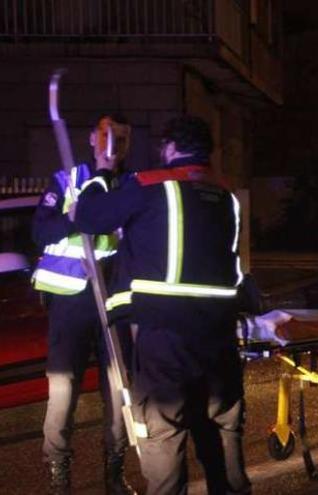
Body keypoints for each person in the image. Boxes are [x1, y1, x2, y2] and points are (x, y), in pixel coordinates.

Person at [73, 115, 251, 494]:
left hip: (166, 336)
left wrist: (103, 171)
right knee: (222, 428)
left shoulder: (149, 185)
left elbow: (89, 216)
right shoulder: (225, 196)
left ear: (170, 147)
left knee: (164, 432)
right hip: (219, 334)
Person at [32, 114, 136, 495]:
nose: (114, 146)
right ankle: (59, 476)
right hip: (71, 303)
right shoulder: (67, 181)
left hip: (114, 301)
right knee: (63, 389)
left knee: (117, 390)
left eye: (122, 139)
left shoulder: (133, 185)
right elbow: (40, 231)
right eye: (108, 137)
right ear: (93, 138)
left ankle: (114, 473)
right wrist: (78, 217)